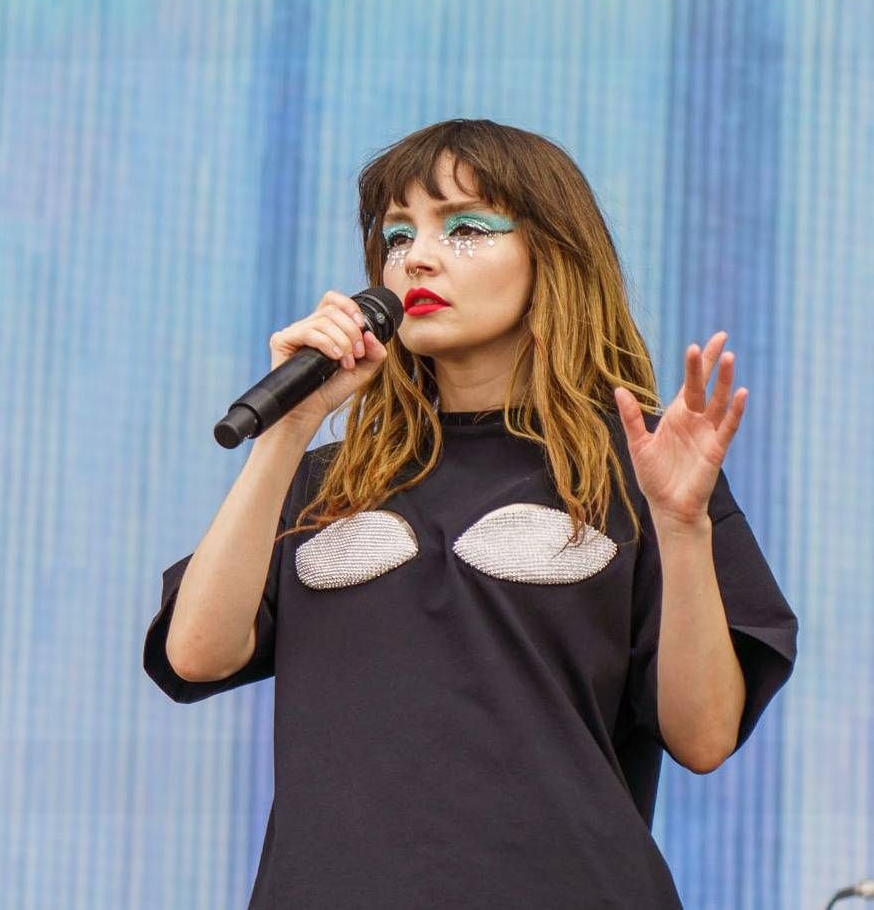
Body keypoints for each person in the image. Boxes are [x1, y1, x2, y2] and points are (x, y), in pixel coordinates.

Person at [143, 119, 798, 908]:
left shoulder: (641, 473)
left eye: (464, 228)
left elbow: (703, 736)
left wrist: (684, 526)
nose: (415, 256)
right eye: (395, 235)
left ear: (551, 257)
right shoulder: (324, 479)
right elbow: (197, 652)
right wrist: (286, 431)